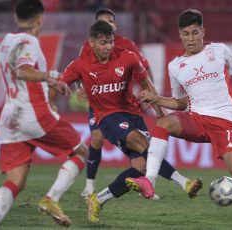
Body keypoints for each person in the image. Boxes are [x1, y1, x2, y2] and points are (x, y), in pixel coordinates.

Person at [50, 19, 202, 222]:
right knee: (145, 145)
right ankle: (185, 183)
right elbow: (59, 83)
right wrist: (51, 101)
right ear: (92, 42)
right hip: (107, 117)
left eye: (110, 42)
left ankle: (98, 199)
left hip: (134, 114)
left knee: (140, 168)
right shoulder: (80, 65)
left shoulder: (128, 57)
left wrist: (159, 113)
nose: (108, 47)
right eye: (103, 43)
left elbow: (147, 85)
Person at [126, 9, 232, 228]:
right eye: (186, 33)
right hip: (197, 118)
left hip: (225, 121)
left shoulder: (219, 50)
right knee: (164, 122)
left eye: (195, 33)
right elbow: (180, 103)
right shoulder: (176, 66)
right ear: (180, 34)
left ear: (203, 31)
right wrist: (156, 99)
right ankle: (149, 181)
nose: (190, 38)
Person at [0, 1, 89, 229]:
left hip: (10, 118)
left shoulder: (6, 41)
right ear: (40, 18)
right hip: (34, 114)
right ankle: (52, 199)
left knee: (16, 182)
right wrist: (49, 78)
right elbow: (23, 70)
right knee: (81, 151)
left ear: (16, 18)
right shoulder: (29, 41)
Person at [75, 8, 200, 201]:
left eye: (110, 22)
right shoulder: (86, 48)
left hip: (129, 108)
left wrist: (151, 97)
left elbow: (145, 72)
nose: (107, 26)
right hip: (103, 108)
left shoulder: (127, 47)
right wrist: (79, 87)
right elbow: (78, 72)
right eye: (102, 23)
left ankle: (99, 199)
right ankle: (90, 183)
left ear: (115, 25)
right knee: (101, 138)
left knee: (141, 166)